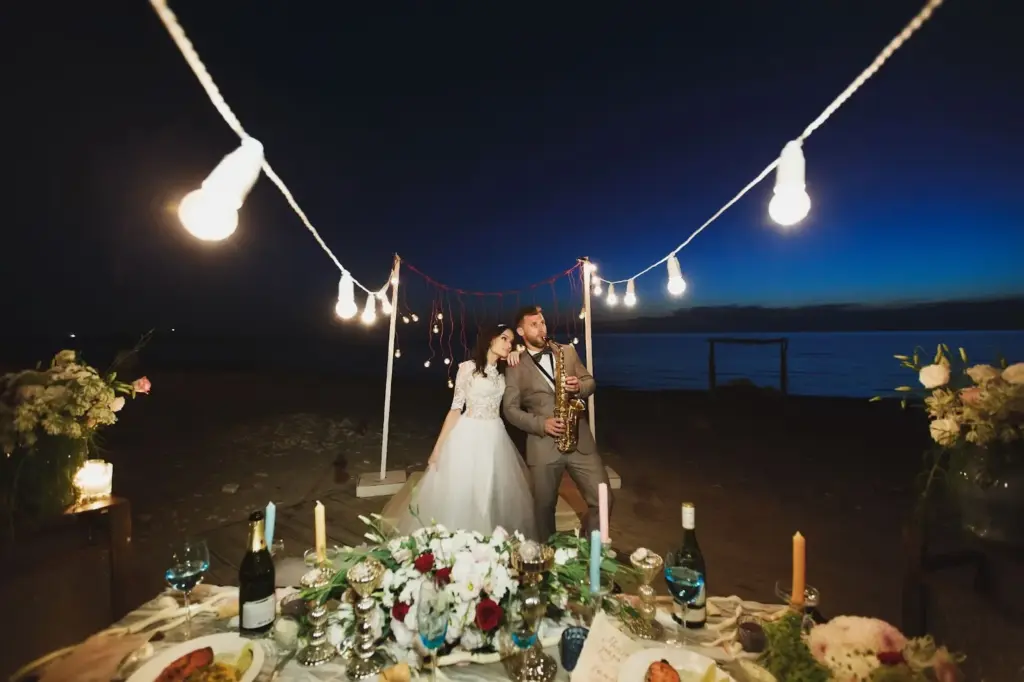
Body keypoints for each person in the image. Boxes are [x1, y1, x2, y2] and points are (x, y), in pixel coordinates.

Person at [396, 324, 538, 539]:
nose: (508, 344)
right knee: (464, 489)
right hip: (468, 433)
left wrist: (521, 352)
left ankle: (487, 540)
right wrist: (437, 449)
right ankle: (459, 540)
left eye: (510, 341)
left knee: (489, 490)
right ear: (490, 339)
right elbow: (455, 409)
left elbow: (531, 362)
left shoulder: (505, 372)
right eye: (504, 338)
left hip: (494, 436)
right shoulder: (467, 368)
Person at [502, 305, 611, 542]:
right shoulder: (516, 364)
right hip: (543, 446)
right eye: (534, 324)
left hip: (580, 442)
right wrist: (542, 424)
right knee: (543, 510)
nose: (541, 328)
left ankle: (589, 548)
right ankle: (547, 562)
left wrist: (579, 387)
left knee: (603, 499)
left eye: (542, 322)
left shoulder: (567, 351)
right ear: (521, 331)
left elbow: (590, 381)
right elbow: (509, 410)